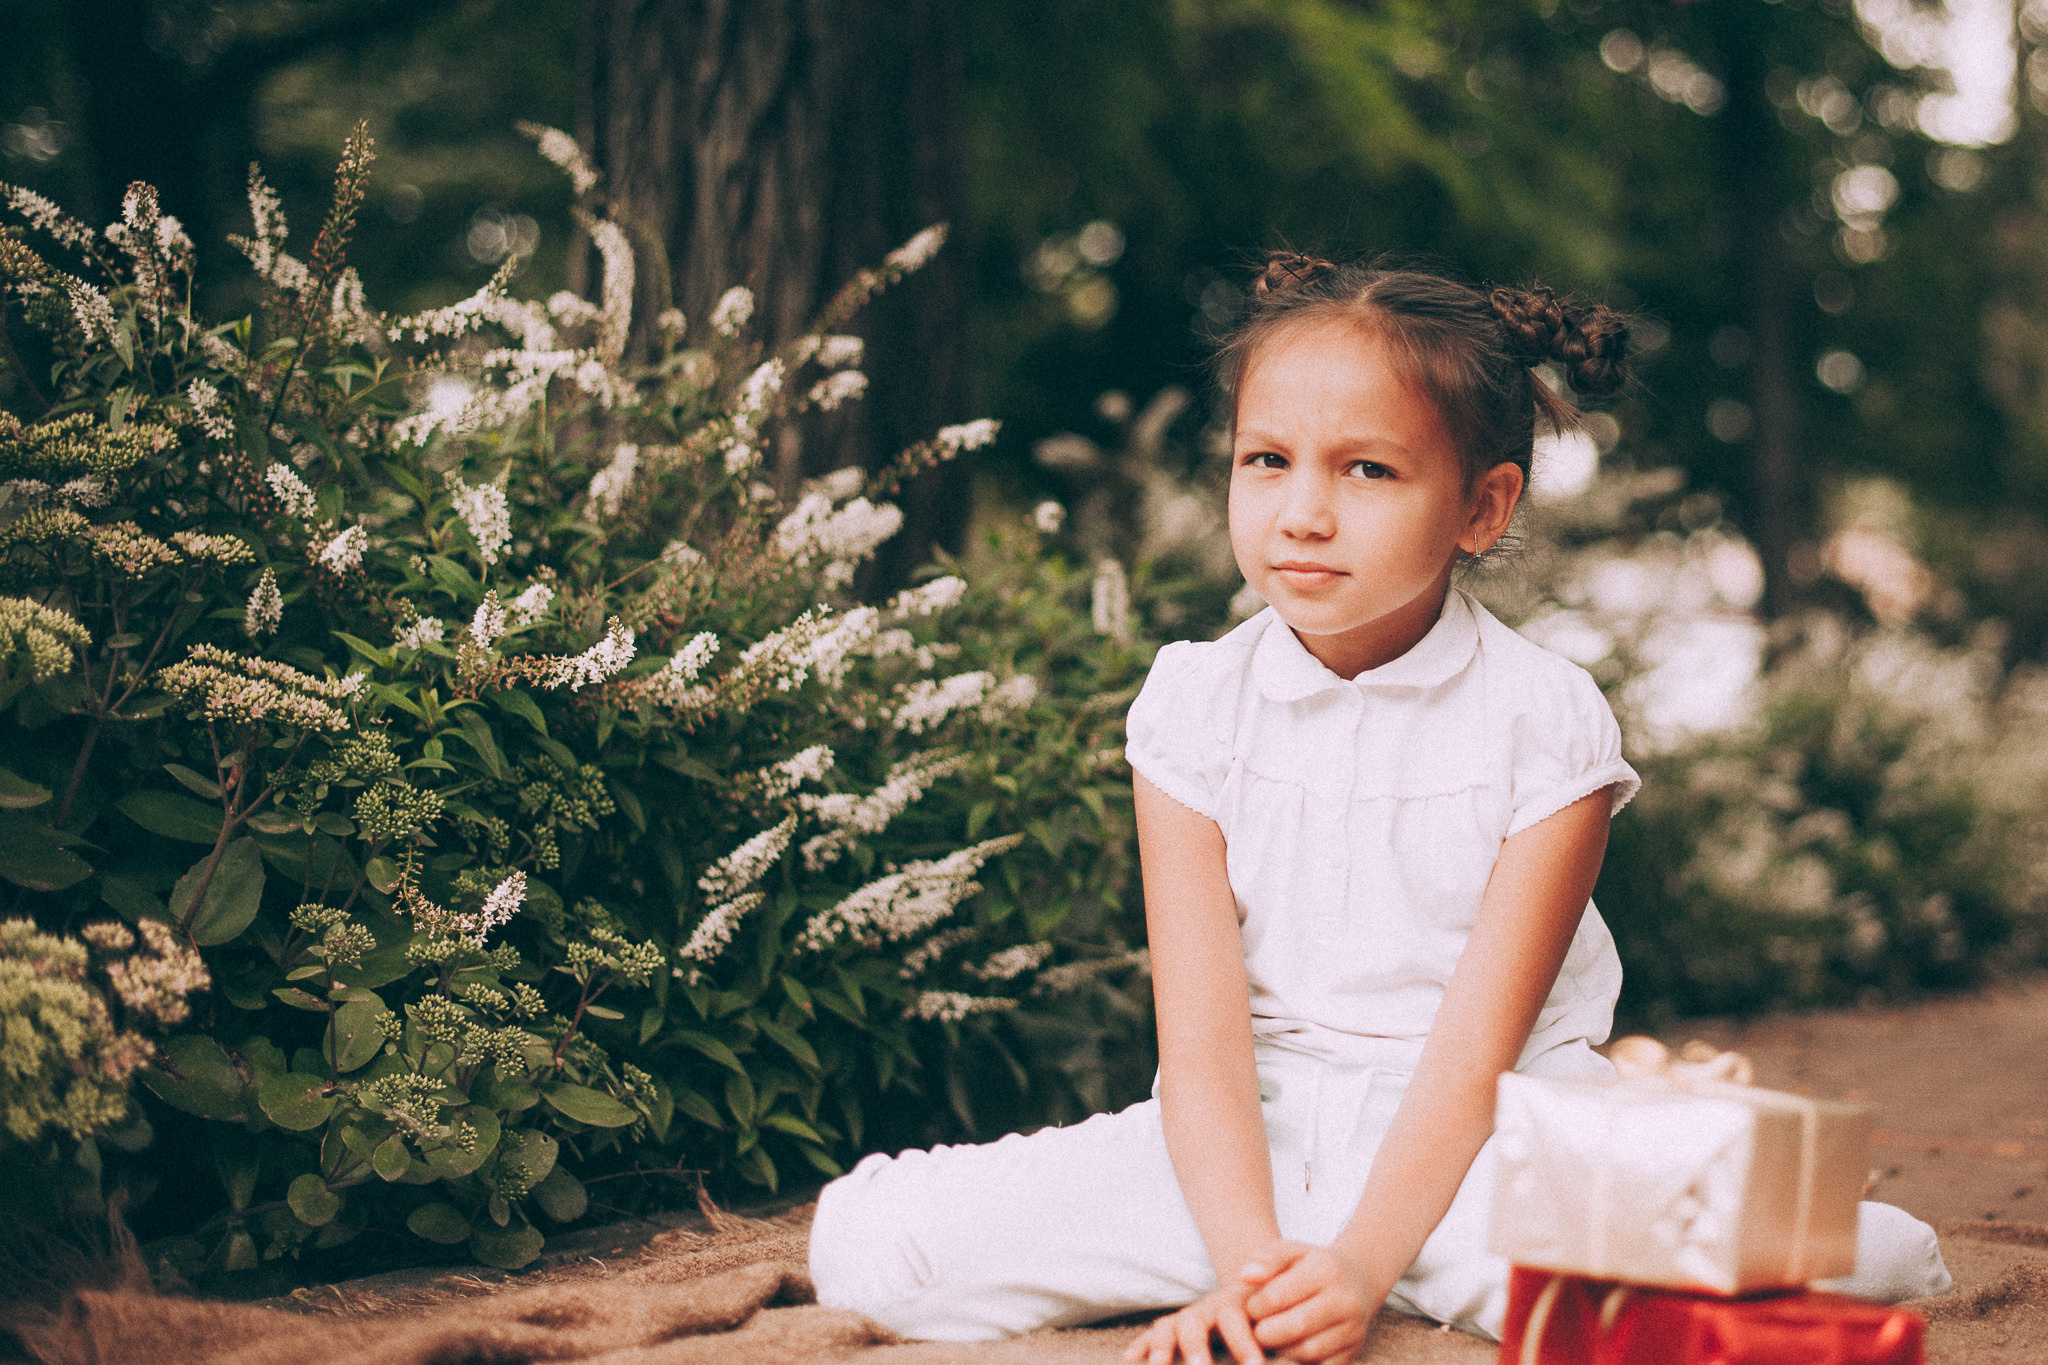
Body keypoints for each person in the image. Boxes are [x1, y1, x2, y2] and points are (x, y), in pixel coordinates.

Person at [807, 253, 1950, 1364]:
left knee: (1858, 1255)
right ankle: (1331, 1271)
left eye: (1365, 471)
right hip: (1241, 1148)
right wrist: (1252, 1271)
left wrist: (1359, 1265)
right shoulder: (1191, 704)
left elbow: (1472, 1059)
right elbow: (1199, 1052)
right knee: (870, 1246)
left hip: (1482, 1145)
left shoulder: (1542, 722)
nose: (1301, 513)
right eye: (1266, 460)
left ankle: (1402, 1268)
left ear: (1480, 508)